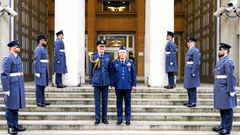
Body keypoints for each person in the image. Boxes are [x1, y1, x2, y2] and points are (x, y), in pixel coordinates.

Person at [1, 40, 26, 134]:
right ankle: (10, 126)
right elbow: (4, 75)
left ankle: (15, 125)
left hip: (18, 85)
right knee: (10, 107)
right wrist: (6, 89)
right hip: (11, 86)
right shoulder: (8, 58)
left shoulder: (18, 58)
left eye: (18, 47)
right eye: (17, 46)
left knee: (15, 107)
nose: (19, 48)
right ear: (11, 48)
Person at [212, 43, 237, 135]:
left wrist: (231, 90)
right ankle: (223, 125)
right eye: (219, 50)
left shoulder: (228, 61)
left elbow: (230, 77)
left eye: (220, 50)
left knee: (227, 109)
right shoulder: (222, 60)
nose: (219, 52)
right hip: (220, 87)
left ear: (225, 51)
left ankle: (227, 128)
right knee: (222, 108)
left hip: (225, 88)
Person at [111, 45, 136, 125]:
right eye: (121, 52)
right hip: (118, 86)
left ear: (126, 54)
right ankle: (119, 119)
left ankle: (128, 119)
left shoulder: (130, 62)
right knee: (119, 103)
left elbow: (133, 74)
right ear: (118, 54)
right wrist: (112, 85)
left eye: (124, 52)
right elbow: (112, 75)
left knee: (127, 103)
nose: (122, 54)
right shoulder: (114, 63)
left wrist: (134, 84)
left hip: (128, 86)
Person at [89, 39, 111, 125]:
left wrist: (110, 81)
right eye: (100, 47)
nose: (101, 48)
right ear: (97, 47)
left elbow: (109, 69)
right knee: (97, 100)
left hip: (105, 81)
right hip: (96, 81)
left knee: (105, 101)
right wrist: (90, 80)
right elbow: (90, 69)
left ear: (105, 48)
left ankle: (104, 118)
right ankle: (97, 118)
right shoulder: (93, 56)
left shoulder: (108, 56)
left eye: (103, 47)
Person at [183, 36, 201, 107]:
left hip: (191, 70)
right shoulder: (190, 50)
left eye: (189, 42)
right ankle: (190, 101)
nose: (188, 43)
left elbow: (196, 62)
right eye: (188, 42)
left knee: (192, 86)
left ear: (193, 43)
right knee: (189, 86)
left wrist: (194, 72)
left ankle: (193, 102)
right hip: (188, 69)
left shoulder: (195, 50)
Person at [33, 34, 50, 107]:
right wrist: (37, 72)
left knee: (42, 86)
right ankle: (39, 101)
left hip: (44, 69)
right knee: (39, 86)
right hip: (40, 70)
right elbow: (37, 61)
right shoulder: (38, 49)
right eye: (44, 40)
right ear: (40, 41)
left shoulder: (43, 49)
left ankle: (42, 101)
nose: (46, 42)